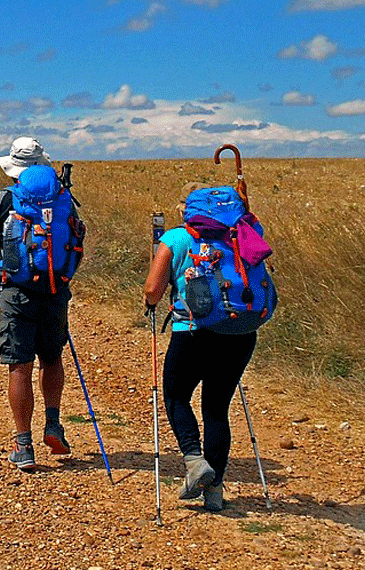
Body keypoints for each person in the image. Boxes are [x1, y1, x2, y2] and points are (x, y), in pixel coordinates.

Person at [142, 183, 259, 512]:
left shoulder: (177, 238)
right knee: (217, 408)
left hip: (193, 332)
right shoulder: (240, 234)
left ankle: (194, 460)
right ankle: (215, 491)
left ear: (186, 209)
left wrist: (150, 302)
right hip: (240, 330)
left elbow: (153, 289)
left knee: (176, 395)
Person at [0, 137, 72, 472]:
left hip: (15, 293)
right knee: (52, 358)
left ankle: (23, 444)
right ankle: (54, 425)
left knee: (20, 366)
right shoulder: (63, 199)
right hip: (55, 291)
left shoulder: (0, 200)